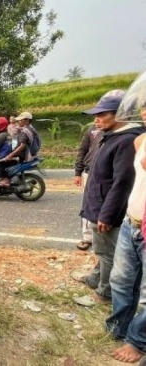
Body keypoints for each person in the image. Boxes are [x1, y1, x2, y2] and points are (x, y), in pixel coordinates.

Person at [78, 89, 143, 305]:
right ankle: (95, 278)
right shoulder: (112, 136)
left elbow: (122, 182)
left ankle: (104, 294)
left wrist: (106, 214)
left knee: (107, 253)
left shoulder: (126, 141)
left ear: (121, 113)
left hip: (107, 209)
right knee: (103, 249)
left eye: (103, 114)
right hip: (100, 204)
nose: (97, 119)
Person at [106, 95, 146, 363]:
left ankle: (138, 340)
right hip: (132, 221)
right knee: (121, 280)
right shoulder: (140, 141)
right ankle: (119, 327)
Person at [73, 125, 104, 251]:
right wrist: (78, 172)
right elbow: (83, 150)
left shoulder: (118, 132)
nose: (97, 119)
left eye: (101, 114)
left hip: (110, 174)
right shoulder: (92, 129)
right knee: (88, 204)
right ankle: (87, 238)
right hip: (90, 172)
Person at [0, 119, 31, 187]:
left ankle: (5, 180)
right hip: (23, 153)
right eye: (17, 121)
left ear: (26, 121)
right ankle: (11, 177)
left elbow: (22, 146)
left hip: (21, 155)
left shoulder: (24, 132)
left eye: (20, 121)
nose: (18, 122)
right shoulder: (28, 129)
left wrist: (11, 155)